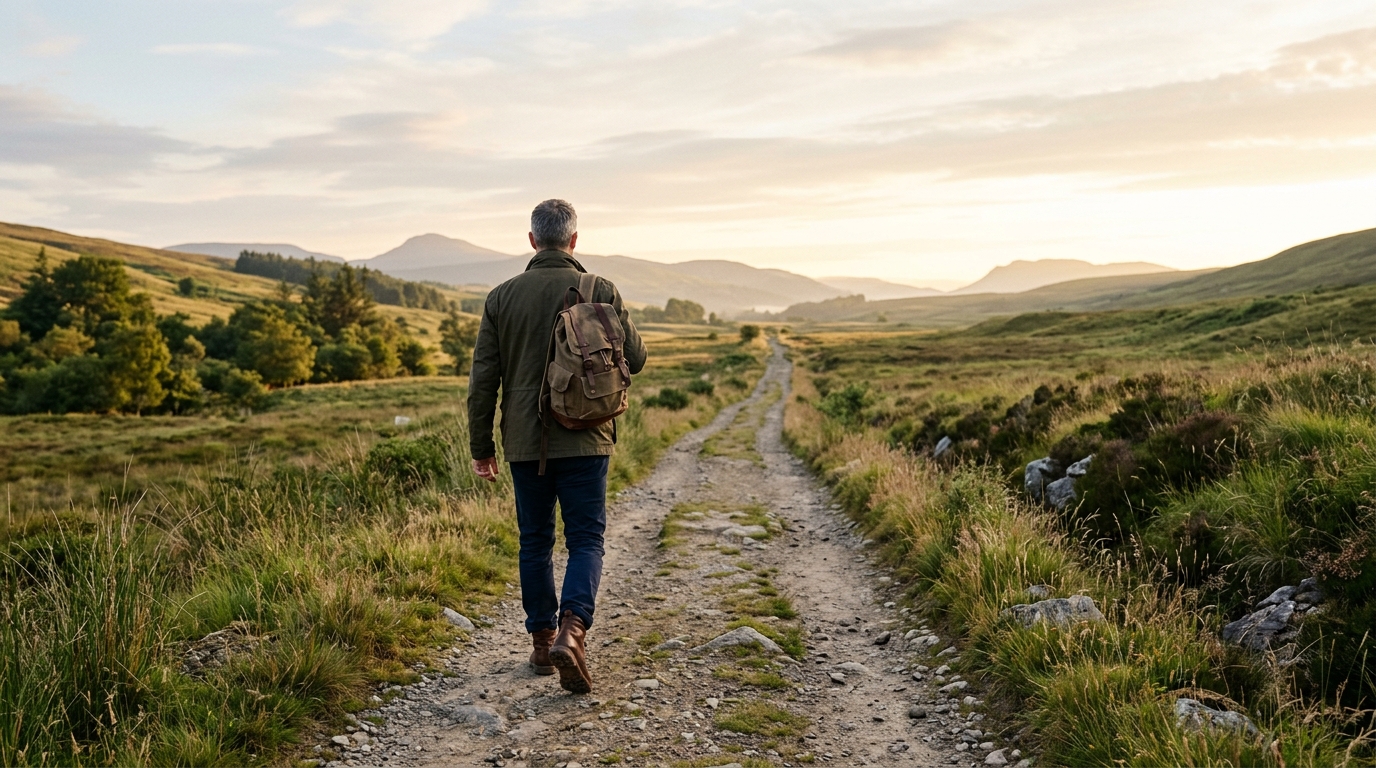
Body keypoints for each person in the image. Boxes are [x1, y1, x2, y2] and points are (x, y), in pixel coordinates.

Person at [467, 199, 647, 694]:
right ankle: (575, 630)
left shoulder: (501, 297)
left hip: (525, 441)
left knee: (535, 540)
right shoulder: (600, 289)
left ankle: (543, 643)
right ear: (573, 241)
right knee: (586, 538)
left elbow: (484, 379)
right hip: (588, 435)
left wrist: (481, 446)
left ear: (531, 241)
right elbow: (637, 357)